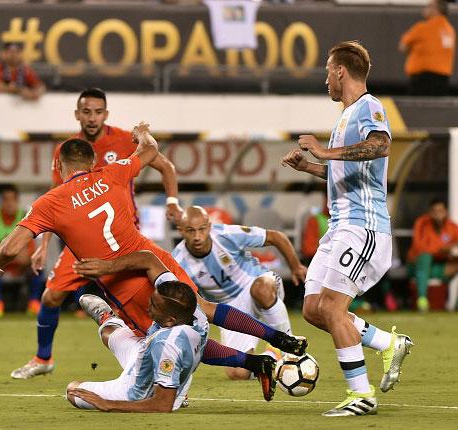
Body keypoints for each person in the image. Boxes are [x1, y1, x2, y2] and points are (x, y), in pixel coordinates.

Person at [0, 129, 307, 400]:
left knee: (176, 336)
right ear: (91, 161)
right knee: (201, 309)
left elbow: (12, 246)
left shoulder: (51, 201)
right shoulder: (112, 173)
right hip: (154, 258)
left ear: (59, 166)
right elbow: (150, 149)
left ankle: (248, 363)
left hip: (124, 283)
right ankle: (277, 339)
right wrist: (143, 134)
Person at [11, 88, 184, 379]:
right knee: (51, 296)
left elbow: (165, 166)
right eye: (86, 112)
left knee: (142, 307)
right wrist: (43, 246)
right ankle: (43, 359)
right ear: (77, 114)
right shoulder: (67, 151)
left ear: (106, 113)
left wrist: (172, 201)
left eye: (98, 111)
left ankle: (162, 368)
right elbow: (56, 200)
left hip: (123, 239)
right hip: (83, 244)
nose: (92, 117)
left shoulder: (121, 140)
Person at [281, 41, 413, 417]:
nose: (325, 80)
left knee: (334, 308)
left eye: (327, 72)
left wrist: (323, 151)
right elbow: (347, 169)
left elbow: (380, 146)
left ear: (340, 71)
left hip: (363, 227)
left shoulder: (368, 106)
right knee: (312, 309)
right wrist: (311, 167)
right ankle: (388, 343)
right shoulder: (345, 115)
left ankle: (361, 395)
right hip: (340, 227)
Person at [172, 206, 307, 380]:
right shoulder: (178, 261)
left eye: (202, 229)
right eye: (190, 231)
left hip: (258, 282)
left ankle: (288, 349)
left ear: (209, 226)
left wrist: (295, 266)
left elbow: (276, 236)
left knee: (262, 290)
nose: (197, 236)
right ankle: (270, 360)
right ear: (181, 231)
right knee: (238, 374)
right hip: (230, 310)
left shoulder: (226, 235)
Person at [66, 262, 206, 412]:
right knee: (110, 333)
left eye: (154, 306)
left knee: (72, 390)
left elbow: (162, 405)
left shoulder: (167, 344)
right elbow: (148, 258)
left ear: (170, 320)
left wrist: (107, 404)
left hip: (136, 394)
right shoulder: (196, 315)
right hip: (145, 355)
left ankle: (170, 386)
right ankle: (107, 319)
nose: (148, 307)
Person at [0, 184, 45, 317]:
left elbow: (30, 248)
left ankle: (34, 303)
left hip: (19, 263)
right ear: (1, 202)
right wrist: (13, 253)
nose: (9, 203)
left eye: (12, 199)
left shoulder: (25, 216)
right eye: (6, 200)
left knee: (38, 265)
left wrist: (23, 256)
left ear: (17, 201)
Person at [407, 199, 458, 312]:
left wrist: (450, 252)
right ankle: (422, 300)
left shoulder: (452, 227)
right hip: (415, 265)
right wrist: (443, 249)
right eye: (434, 211)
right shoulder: (421, 223)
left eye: (441, 211)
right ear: (429, 213)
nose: (438, 214)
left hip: (436, 267)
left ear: (446, 212)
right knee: (425, 257)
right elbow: (420, 248)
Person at [399, 0, 455, 96]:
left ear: (436, 9)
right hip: (443, 81)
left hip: (422, 80)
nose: (425, 9)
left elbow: (402, 46)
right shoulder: (450, 30)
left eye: (429, 6)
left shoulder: (423, 28)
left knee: (416, 109)